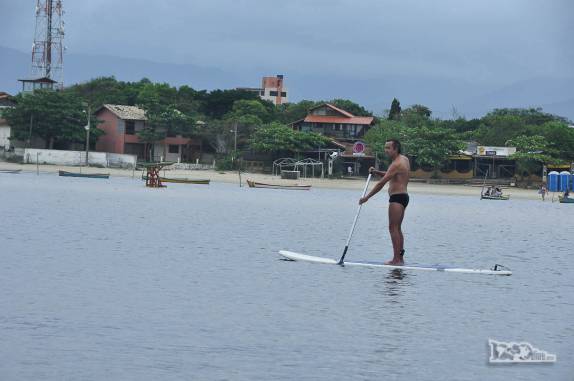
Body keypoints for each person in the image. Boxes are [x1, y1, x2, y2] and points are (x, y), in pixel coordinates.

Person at [359, 139, 410, 265]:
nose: (385, 150)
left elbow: (382, 183)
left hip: (397, 198)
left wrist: (367, 197)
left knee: (393, 228)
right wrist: (376, 172)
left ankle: (396, 259)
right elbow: (391, 175)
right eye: (385, 147)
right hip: (403, 197)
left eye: (388, 148)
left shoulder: (396, 163)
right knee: (397, 228)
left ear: (395, 148)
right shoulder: (404, 159)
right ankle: (400, 259)